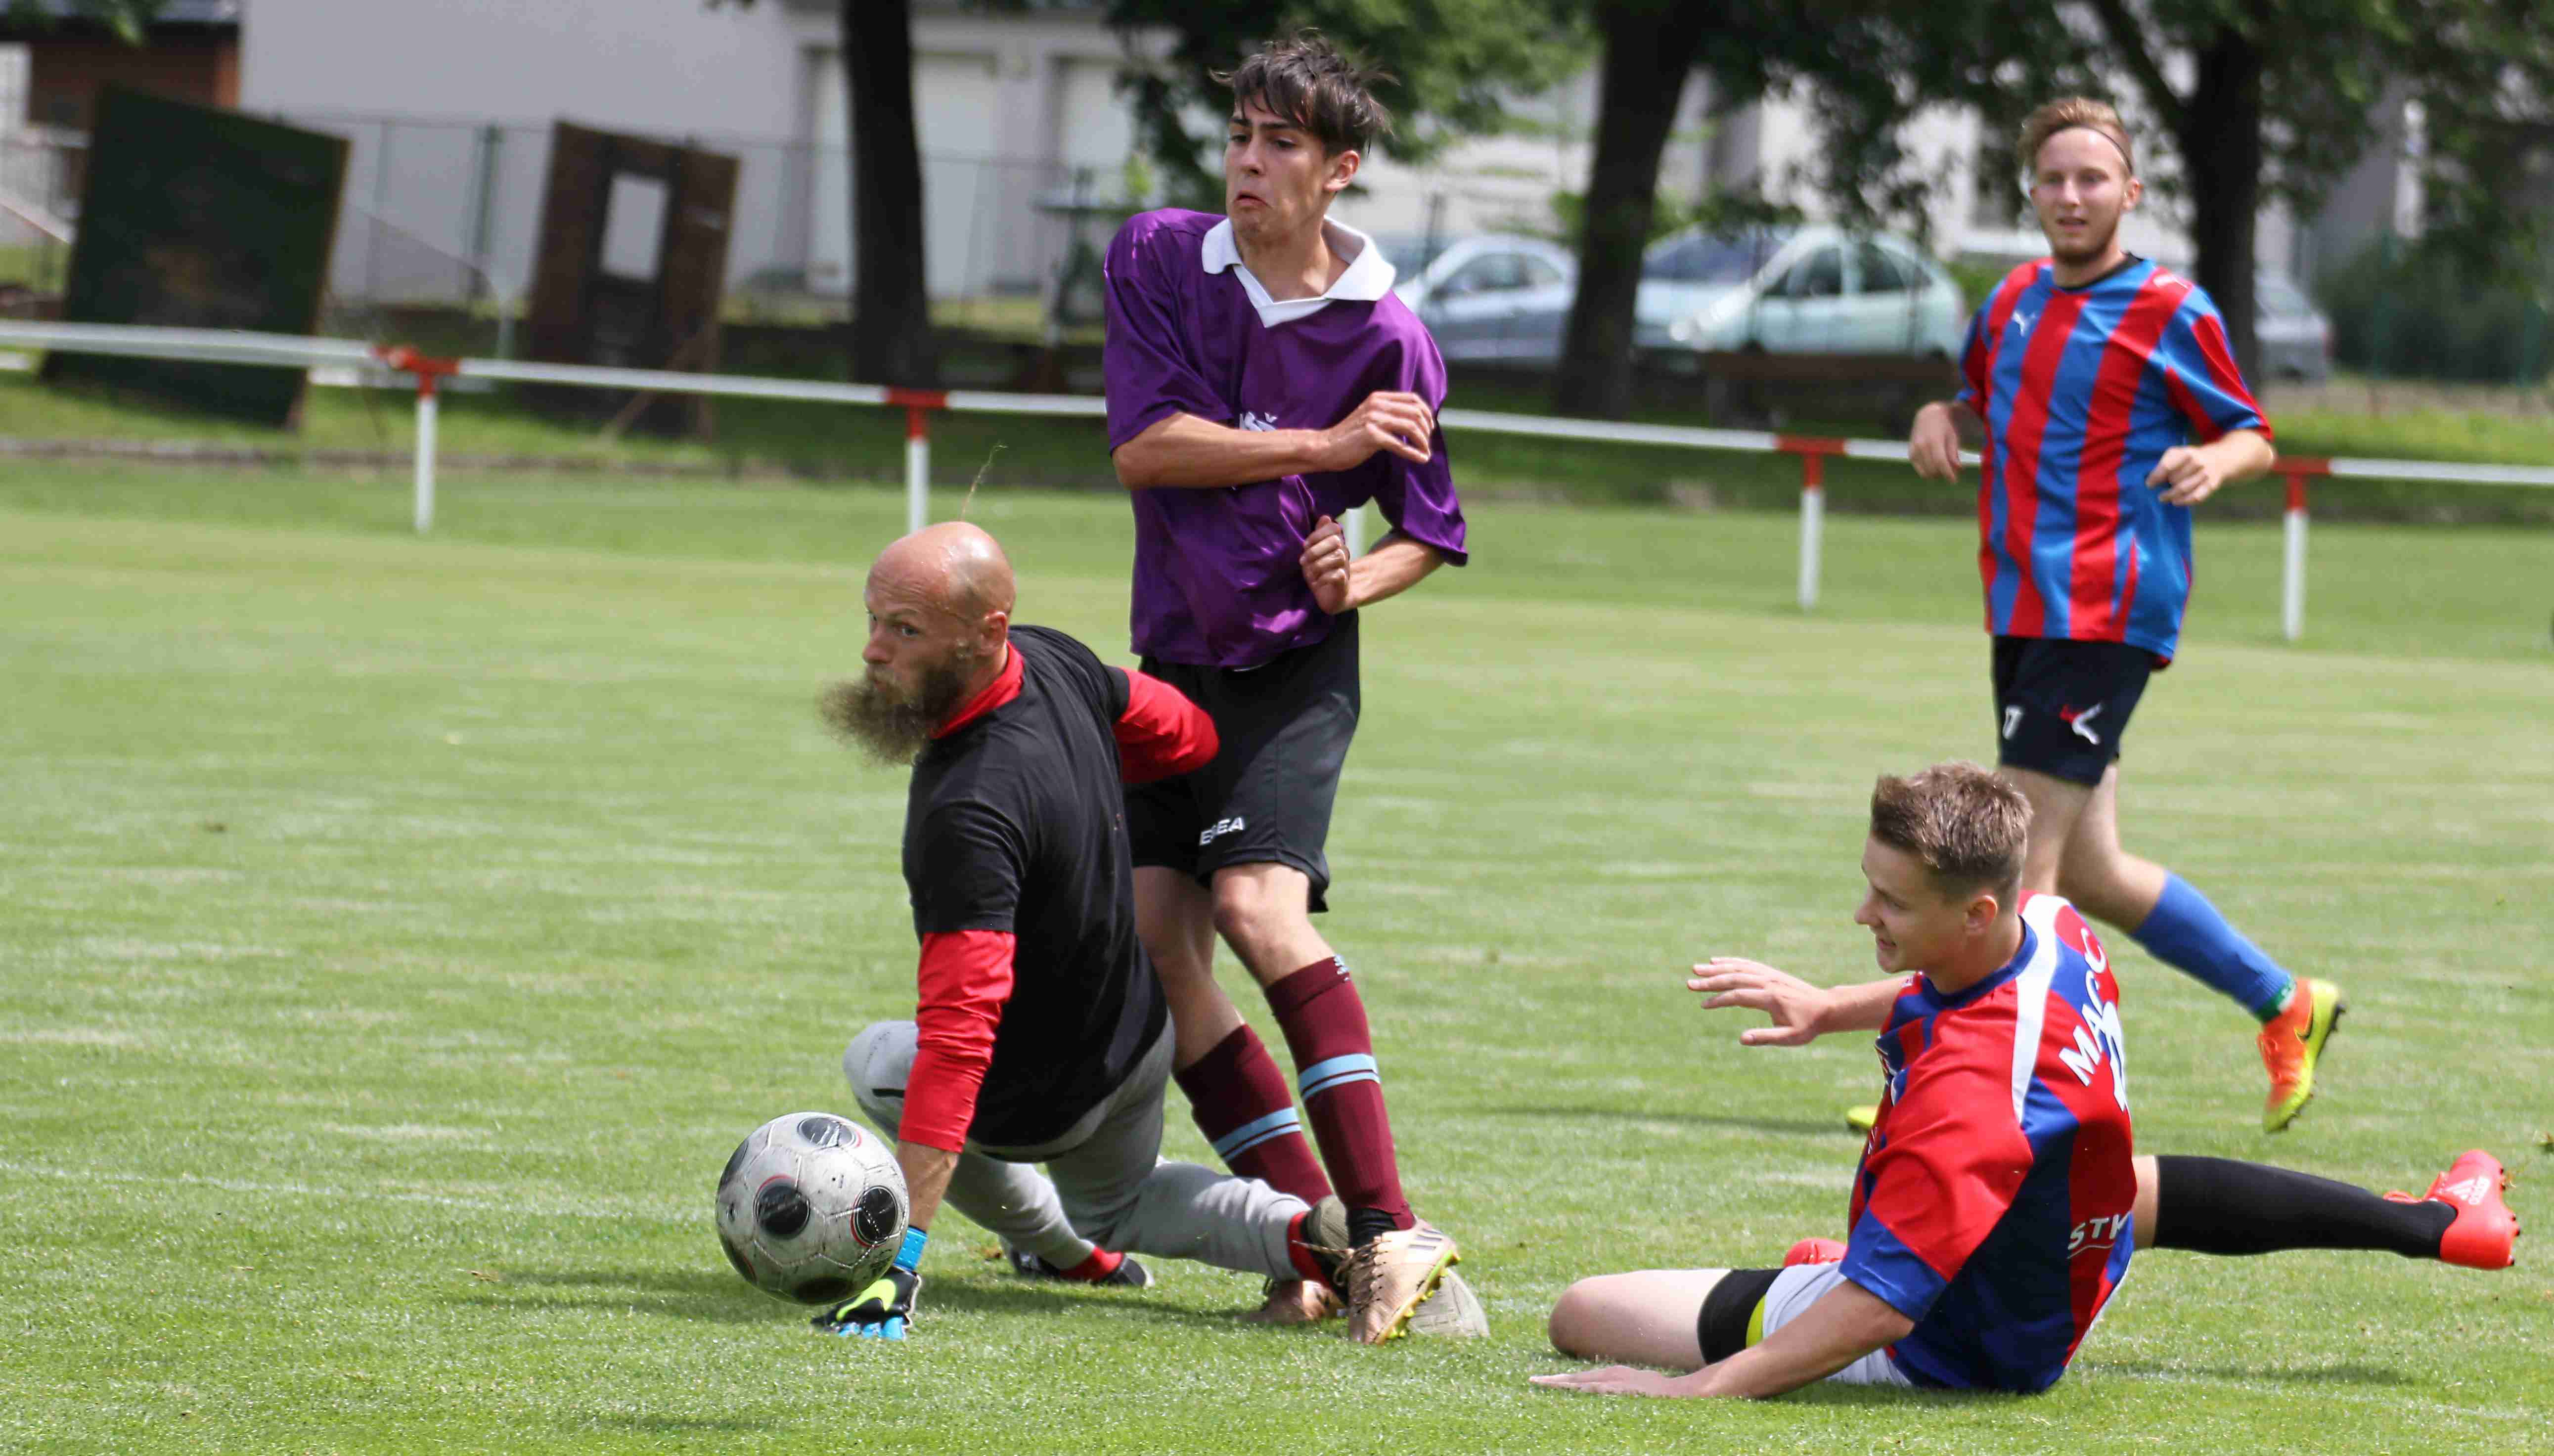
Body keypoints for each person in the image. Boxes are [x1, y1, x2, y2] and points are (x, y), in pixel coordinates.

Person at [1531, 763, 2518, 1398]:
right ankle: (2435, 1223)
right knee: (2108, 1178)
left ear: (1976, 912)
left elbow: (1884, 1309)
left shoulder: (1972, 1102)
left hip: (1965, 1345)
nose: (1863, 913)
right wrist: (1830, 1007)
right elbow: (1949, 998)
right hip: (2069, 1253)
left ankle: (1841, 1275)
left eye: (1891, 901)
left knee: (1585, 1311)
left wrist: (1693, 1392)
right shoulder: (2051, 927)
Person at [1101, 32, 1469, 1340]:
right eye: (1241, 137)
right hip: (1172, 661)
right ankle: (1318, 1240)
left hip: (1290, 668)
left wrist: (1352, 583)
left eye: (1282, 144)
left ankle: (1388, 1225)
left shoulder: (1389, 335)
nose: (1248, 163)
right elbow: (1147, 449)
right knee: (1159, 943)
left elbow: (1431, 529)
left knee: (1258, 911)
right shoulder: (1158, 257)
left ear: (1339, 171)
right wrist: (1323, 443)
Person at [1904, 97, 2341, 1134]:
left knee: (2017, 860)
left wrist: (2215, 460)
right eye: (2053, 179)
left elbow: (2251, 433)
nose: (2070, 196)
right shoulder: (2011, 301)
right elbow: (1979, 401)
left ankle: (1978, 1088)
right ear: (2030, 192)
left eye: (2091, 179)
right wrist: (1937, 414)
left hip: (2107, 605)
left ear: (2129, 193)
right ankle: (2286, 1003)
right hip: (2022, 604)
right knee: (2092, 871)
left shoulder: (2170, 307)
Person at [810, 522, 1352, 1339]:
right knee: (1120, 1204)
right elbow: (1186, 732)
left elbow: (958, 1037)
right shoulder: (1050, 656)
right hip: (1139, 1035)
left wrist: (903, 1259)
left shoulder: (967, 810)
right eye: (874, 619)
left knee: (876, 1062)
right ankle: (1317, 1237)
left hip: (1051, 1092)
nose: (873, 650)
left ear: (985, 632)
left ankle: (1059, 1248)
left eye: (906, 630)